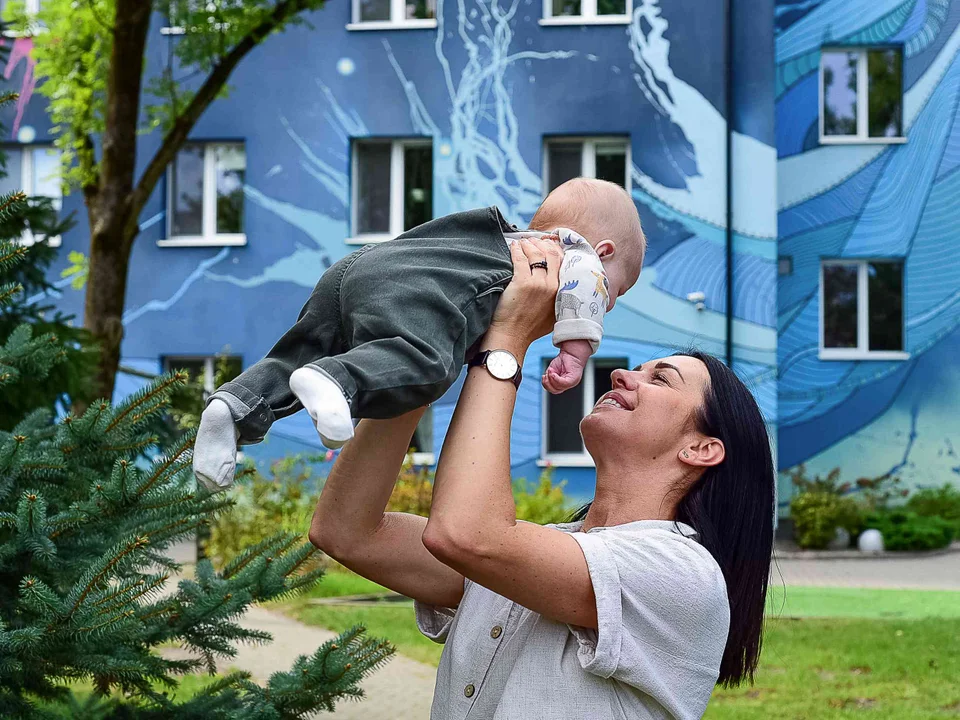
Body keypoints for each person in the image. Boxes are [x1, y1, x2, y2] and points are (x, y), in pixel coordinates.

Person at [309, 236, 776, 719]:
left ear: (702, 449)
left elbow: (467, 535)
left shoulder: (682, 574)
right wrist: (423, 360)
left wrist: (507, 339)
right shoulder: (534, 552)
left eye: (659, 379)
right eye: (636, 369)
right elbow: (347, 531)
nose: (621, 376)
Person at [193, 178, 645, 492]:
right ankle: (341, 380)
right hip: (415, 291)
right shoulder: (572, 253)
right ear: (603, 251)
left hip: (357, 268)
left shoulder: (499, 242)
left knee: (298, 352)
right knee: (429, 365)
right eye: (618, 288)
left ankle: (231, 407)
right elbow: (586, 285)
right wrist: (576, 351)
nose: (609, 301)